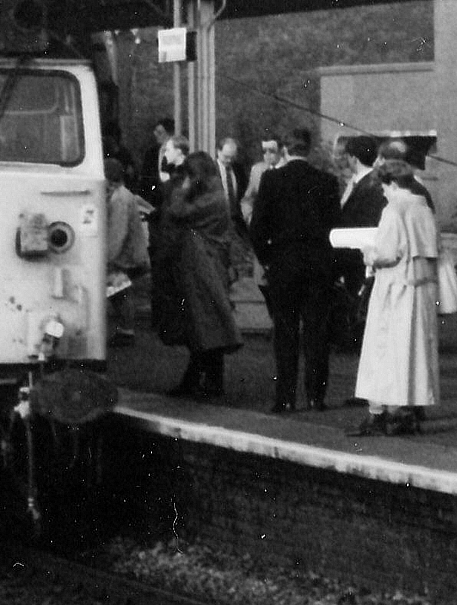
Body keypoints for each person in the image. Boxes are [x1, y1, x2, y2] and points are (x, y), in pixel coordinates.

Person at [349, 144, 440, 436]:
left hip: (394, 289)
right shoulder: (423, 207)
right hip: (420, 289)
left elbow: (387, 252)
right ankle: (405, 410)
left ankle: (381, 412)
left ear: (389, 183)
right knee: (413, 352)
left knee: (383, 350)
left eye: (384, 188)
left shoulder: (394, 209)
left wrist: (368, 254)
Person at [250, 128, 343, 412]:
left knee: (285, 333)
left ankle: (286, 397)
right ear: (310, 150)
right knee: (317, 332)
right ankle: (316, 396)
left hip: (283, 263)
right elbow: (335, 227)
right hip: (318, 265)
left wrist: (268, 259)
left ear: (285, 151)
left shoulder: (272, 179)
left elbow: (257, 227)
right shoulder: (327, 181)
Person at [157, 152, 243, 401]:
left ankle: (203, 382)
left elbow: (177, 211)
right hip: (207, 267)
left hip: (204, 269)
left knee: (206, 326)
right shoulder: (214, 194)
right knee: (207, 326)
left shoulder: (210, 199)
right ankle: (202, 381)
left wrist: (182, 188)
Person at [331, 135, 388, 347]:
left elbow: (360, 221)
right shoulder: (363, 183)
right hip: (355, 251)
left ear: (354, 158)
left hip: (356, 251)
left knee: (358, 297)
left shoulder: (369, 185)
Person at [103, 153, 154, 347]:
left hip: (125, 254)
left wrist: (109, 256)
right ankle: (126, 329)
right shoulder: (123, 195)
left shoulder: (119, 199)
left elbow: (118, 231)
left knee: (119, 290)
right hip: (128, 252)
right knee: (119, 291)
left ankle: (127, 330)